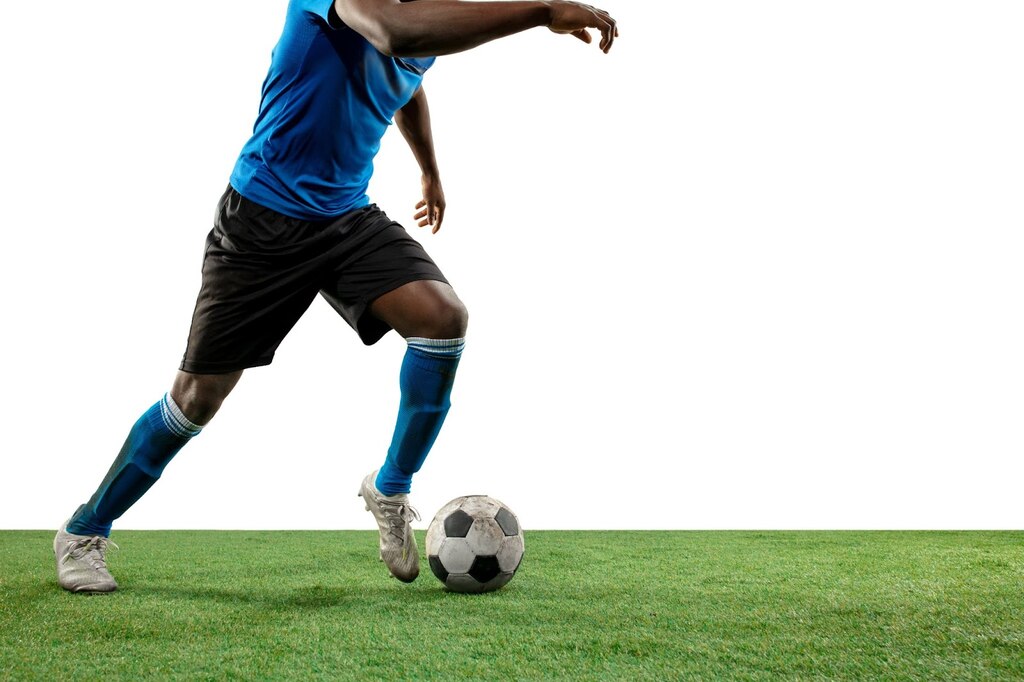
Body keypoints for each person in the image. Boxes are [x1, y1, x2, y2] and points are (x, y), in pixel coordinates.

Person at [53, 0, 618, 593]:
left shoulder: (423, 16)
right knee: (195, 400)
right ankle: (85, 530)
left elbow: (408, 81)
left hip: (344, 218)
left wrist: (429, 171)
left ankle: (391, 487)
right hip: (262, 222)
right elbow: (395, 36)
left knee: (443, 319)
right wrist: (540, 11)